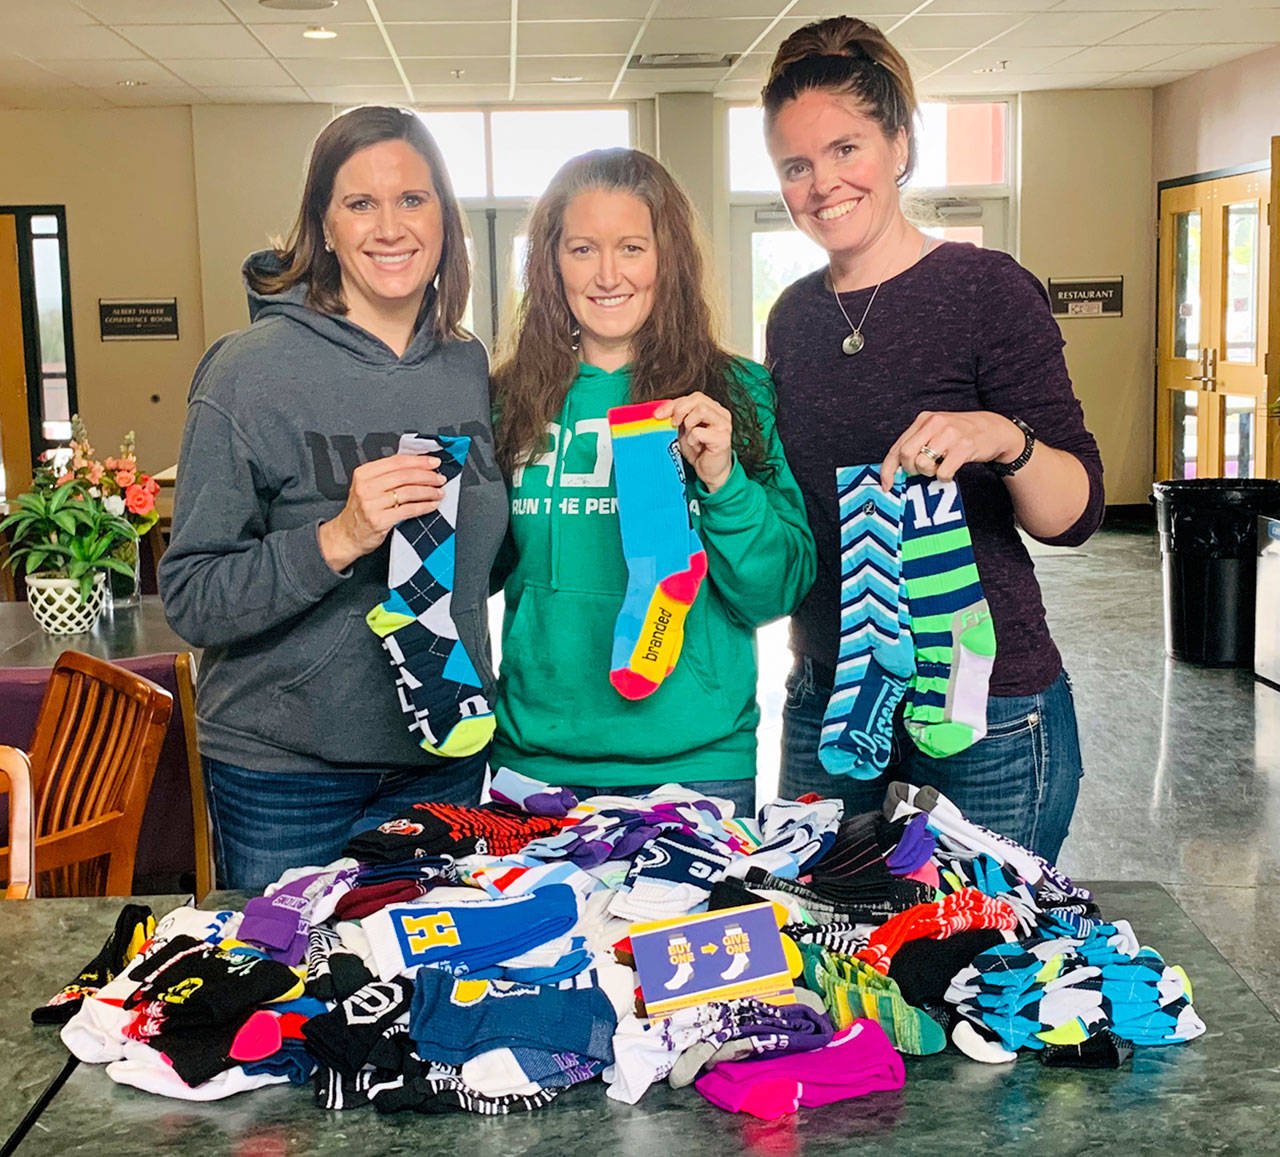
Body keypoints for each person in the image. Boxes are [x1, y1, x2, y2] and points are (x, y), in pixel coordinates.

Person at [762, 17, 1104, 861]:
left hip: (987, 699)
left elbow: (1078, 513)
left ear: (899, 144)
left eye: (847, 149)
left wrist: (1003, 438)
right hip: (831, 693)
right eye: (795, 166)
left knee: (980, 959)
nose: (823, 184)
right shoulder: (793, 318)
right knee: (819, 940)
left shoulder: (987, 291)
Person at [159, 106, 508, 889]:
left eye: (412, 200)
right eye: (360, 203)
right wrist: (337, 538)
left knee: (423, 993)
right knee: (289, 1000)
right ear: (324, 224)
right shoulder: (248, 372)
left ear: (444, 219)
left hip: (442, 764)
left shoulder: (465, 363)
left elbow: (483, 562)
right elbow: (189, 595)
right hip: (287, 779)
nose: (390, 227)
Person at [490, 148, 816, 817]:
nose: (608, 274)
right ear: (553, 263)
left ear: (666, 258)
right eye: (583, 249)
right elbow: (486, 573)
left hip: (695, 767)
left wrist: (722, 480)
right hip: (535, 765)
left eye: (632, 247)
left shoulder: (738, 393)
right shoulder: (508, 399)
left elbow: (774, 590)